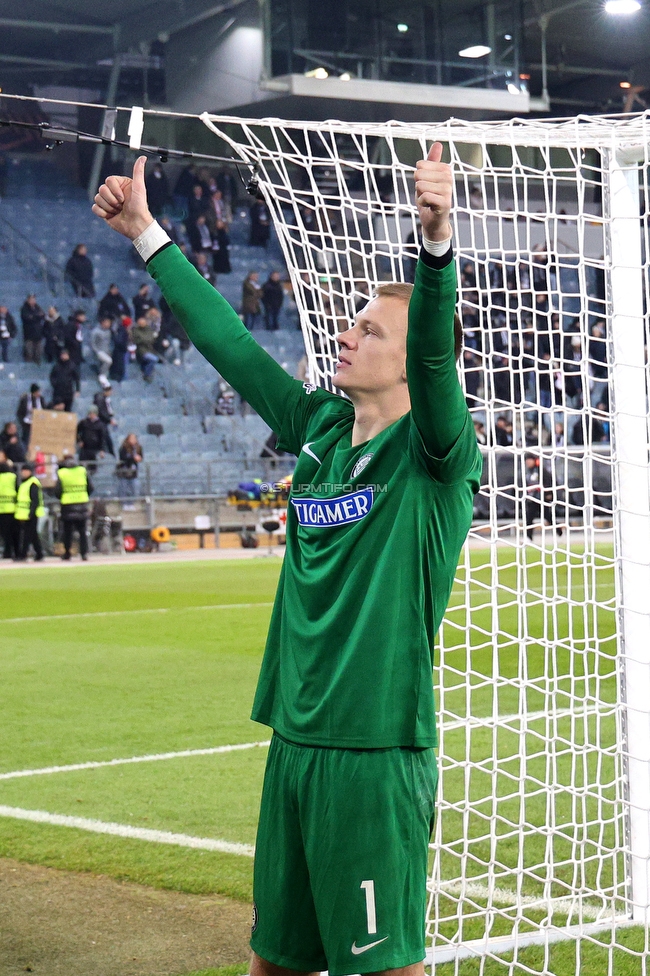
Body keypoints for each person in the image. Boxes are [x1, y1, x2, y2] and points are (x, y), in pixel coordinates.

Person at [93, 147, 480, 976]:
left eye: (369, 331)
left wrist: (436, 240)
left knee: (384, 966)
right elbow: (229, 344)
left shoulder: (435, 453)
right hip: (294, 739)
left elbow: (436, 354)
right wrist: (147, 233)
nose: (345, 335)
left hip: (374, 750)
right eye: (353, 323)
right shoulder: (321, 429)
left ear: (413, 361)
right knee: (274, 959)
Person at [55, 454, 93, 560]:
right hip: (82, 504)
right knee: (82, 531)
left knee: (67, 532)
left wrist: (64, 497)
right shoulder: (82, 471)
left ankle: (67, 553)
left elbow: (57, 491)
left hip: (67, 505)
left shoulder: (62, 473)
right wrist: (83, 495)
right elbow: (90, 487)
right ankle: (84, 554)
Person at [14, 462, 44, 561]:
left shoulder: (32, 483)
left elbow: (35, 500)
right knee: (33, 535)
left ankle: (23, 555)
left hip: (31, 514)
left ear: (30, 472)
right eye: (23, 471)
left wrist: (31, 513)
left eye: (25, 471)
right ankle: (39, 554)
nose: (23, 473)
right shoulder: (25, 483)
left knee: (27, 535)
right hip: (24, 513)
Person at [76, 405, 107, 469]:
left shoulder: (101, 425)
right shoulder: (84, 422)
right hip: (84, 448)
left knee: (92, 467)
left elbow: (103, 438)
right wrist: (79, 441)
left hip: (95, 449)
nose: (91, 415)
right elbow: (76, 432)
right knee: (81, 466)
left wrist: (102, 450)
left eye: (93, 413)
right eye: (90, 413)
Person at [0, 453, 18, 558]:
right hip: (11, 508)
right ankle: (12, 552)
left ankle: (7, 553)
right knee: (12, 533)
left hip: (1, 509)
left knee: (4, 534)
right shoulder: (12, 476)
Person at [131, 315, 158, 382]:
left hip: (150, 349)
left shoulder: (149, 329)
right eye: (140, 323)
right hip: (141, 351)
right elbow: (137, 340)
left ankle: (146, 372)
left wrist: (144, 339)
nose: (142, 324)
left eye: (143, 322)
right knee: (154, 359)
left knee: (153, 359)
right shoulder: (136, 330)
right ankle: (147, 374)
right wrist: (146, 339)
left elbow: (152, 339)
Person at [20, 293, 45, 364]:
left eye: (34, 299)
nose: (33, 301)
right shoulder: (24, 308)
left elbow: (42, 315)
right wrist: (36, 316)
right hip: (29, 335)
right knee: (29, 353)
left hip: (38, 335)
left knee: (38, 353)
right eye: (31, 299)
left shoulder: (38, 307)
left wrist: (34, 316)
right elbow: (27, 318)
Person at [93, 385, 117, 456]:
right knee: (105, 439)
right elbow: (101, 412)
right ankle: (112, 454)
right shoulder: (100, 399)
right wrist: (109, 420)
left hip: (103, 422)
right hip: (101, 423)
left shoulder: (103, 399)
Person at [117, 433, 143, 497]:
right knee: (123, 489)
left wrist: (139, 458)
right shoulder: (123, 448)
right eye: (131, 438)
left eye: (134, 438)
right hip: (124, 472)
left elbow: (140, 457)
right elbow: (123, 457)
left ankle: (133, 501)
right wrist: (133, 458)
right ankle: (124, 501)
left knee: (135, 489)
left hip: (133, 472)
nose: (133, 440)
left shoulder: (138, 448)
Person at [90, 316, 113, 385]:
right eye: (107, 322)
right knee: (108, 361)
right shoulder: (95, 331)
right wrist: (96, 351)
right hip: (99, 351)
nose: (108, 324)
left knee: (106, 364)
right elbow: (92, 343)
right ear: (102, 323)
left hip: (107, 351)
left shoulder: (108, 331)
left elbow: (109, 342)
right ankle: (102, 376)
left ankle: (105, 381)